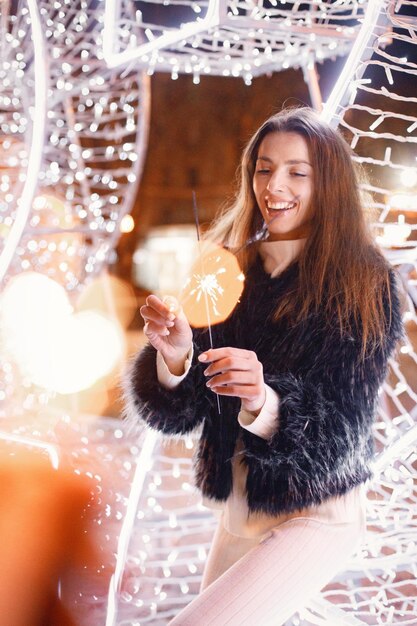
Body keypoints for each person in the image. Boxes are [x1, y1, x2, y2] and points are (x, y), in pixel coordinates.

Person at [124, 107, 403, 625]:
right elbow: (179, 416)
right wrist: (175, 355)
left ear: (330, 184)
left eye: (298, 172)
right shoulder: (228, 270)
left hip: (316, 516)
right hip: (240, 512)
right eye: (264, 168)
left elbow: (343, 436)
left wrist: (262, 400)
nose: (275, 185)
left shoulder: (365, 284)